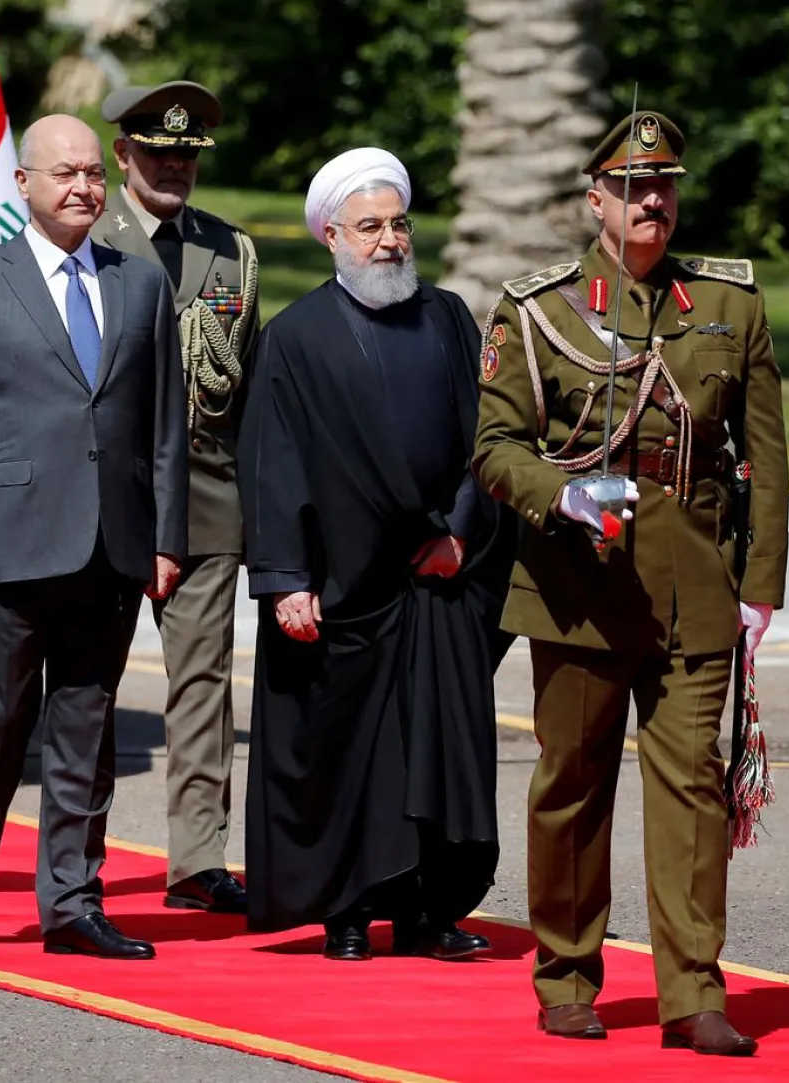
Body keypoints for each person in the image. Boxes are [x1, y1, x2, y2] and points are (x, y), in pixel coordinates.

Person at [471, 111, 789, 1055]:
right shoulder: (540, 312)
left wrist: (760, 584)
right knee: (572, 783)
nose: (654, 201)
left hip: (697, 581)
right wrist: (561, 497)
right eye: (634, 188)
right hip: (581, 581)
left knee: (693, 785)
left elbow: (765, 458)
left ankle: (692, 991)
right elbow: (493, 447)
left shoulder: (730, 304)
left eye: (666, 186)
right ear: (596, 200)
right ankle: (567, 972)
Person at [0, 114, 188, 960]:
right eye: (62, 174)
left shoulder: (139, 285)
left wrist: (166, 539)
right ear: (24, 185)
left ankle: (72, 901)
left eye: (91, 175)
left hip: (111, 550)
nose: (82, 188)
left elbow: (167, 429)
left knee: (85, 731)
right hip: (6, 547)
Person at [238, 147, 512, 962]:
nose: (389, 240)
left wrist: (460, 530)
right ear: (331, 235)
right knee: (350, 756)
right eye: (370, 227)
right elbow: (271, 462)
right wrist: (285, 578)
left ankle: (430, 910)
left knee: (440, 750)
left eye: (398, 224)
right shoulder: (296, 338)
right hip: (344, 584)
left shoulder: (450, 316)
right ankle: (349, 911)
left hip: (440, 578)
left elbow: (487, 438)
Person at [91, 81, 259, 915]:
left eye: (187, 156)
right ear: (124, 154)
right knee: (87, 680)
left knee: (202, 685)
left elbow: (248, 387)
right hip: (104, 496)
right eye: (159, 153)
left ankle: (197, 857)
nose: (175, 169)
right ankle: (77, 854)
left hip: (205, 494)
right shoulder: (88, 239)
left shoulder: (231, 252)